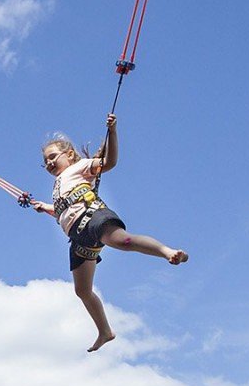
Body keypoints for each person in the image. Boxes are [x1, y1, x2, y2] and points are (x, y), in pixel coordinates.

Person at [28, 114, 188, 352]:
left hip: (92, 218)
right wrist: (46, 208)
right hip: (78, 236)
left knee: (123, 240)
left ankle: (167, 251)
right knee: (82, 290)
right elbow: (65, 211)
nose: (49, 163)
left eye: (53, 157)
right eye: (45, 161)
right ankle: (105, 331)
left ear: (69, 154)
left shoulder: (80, 167)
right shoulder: (58, 184)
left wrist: (112, 132)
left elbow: (109, 162)